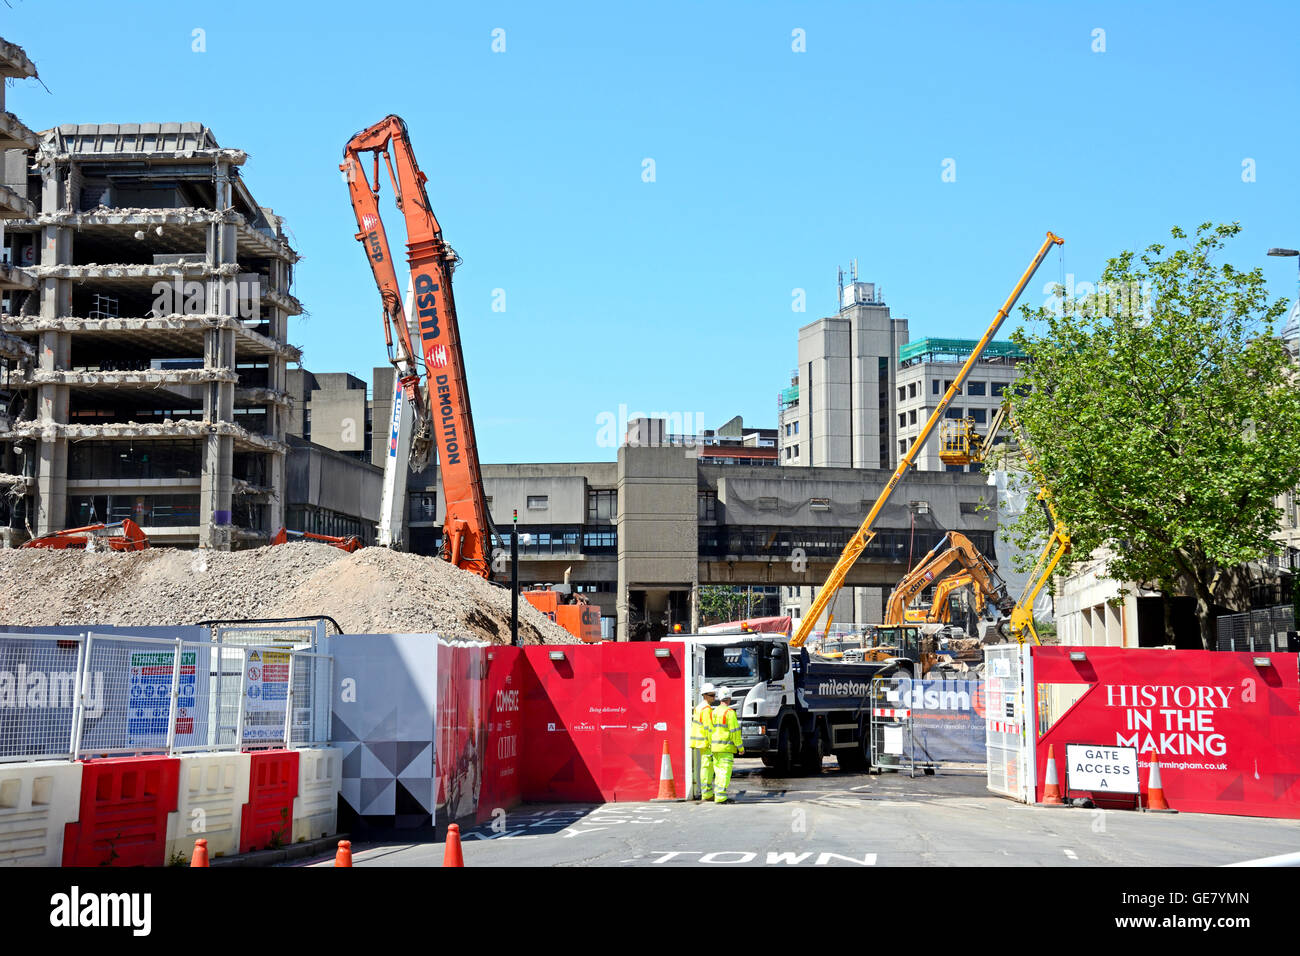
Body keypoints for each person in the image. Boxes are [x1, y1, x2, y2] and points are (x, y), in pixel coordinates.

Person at [710, 687, 744, 804]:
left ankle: (719, 795)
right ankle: (720, 797)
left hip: (715, 748)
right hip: (726, 748)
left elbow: (710, 730)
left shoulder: (714, 712)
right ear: (729, 699)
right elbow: (735, 732)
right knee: (725, 772)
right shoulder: (729, 713)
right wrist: (740, 747)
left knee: (718, 772)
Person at [690, 683, 718, 800]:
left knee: (705, 767)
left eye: (714, 695)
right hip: (706, 743)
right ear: (705, 695)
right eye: (711, 695)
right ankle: (706, 793)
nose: (714, 697)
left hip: (700, 741)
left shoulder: (699, 707)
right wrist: (713, 743)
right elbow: (708, 728)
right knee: (707, 767)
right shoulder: (706, 709)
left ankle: (706, 792)